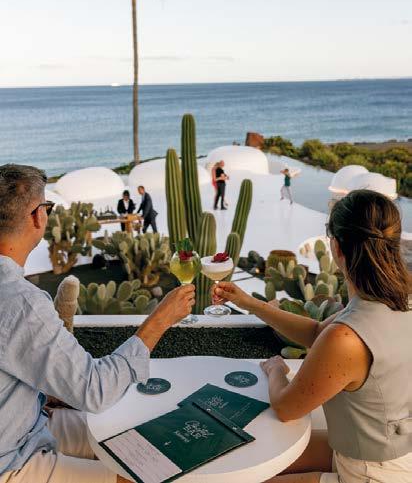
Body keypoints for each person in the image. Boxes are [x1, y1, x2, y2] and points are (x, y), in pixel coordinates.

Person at [0, 164, 195, 483]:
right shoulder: (22, 302)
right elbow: (96, 390)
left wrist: (38, 394)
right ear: (37, 217)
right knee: (145, 474)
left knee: (133, 435)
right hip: (10, 460)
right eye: (47, 206)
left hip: (26, 423)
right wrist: (159, 321)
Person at [213, 189, 412, 482]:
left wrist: (276, 369)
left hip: (370, 473)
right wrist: (250, 303)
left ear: (336, 247)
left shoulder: (348, 335)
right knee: (244, 456)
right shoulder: (398, 301)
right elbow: (318, 332)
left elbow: (286, 407)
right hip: (390, 455)